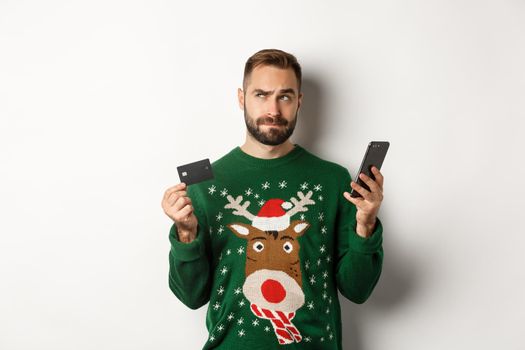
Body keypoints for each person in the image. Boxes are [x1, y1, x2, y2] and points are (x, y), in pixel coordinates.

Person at [161, 49, 385, 349]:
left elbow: (357, 290)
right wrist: (186, 234)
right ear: (242, 98)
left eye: (285, 96)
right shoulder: (204, 186)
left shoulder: (332, 180)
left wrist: (366, 224)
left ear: (299, 102)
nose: (274, 110)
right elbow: (191, 296)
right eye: (261, 95)